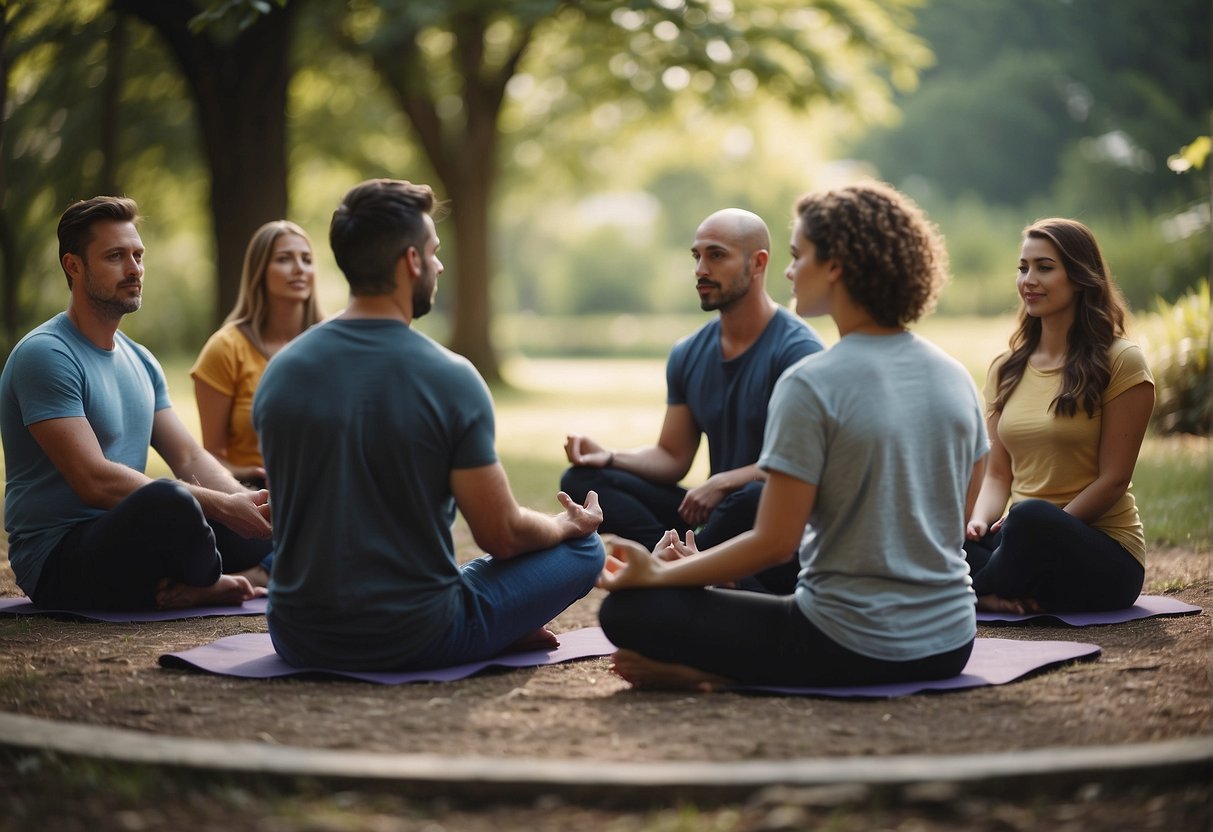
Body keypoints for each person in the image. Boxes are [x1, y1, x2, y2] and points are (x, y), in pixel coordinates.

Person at [597, 182, 987, 692]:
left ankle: (711, 674)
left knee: (629, 611)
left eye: (798, 255)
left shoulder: (810, 382)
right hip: (950, 643)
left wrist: (657, 575)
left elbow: (775, 544)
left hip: (846, 641)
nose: (788, 270)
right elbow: (954, 521)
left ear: (836, 267)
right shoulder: (954, 374)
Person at [254, 178, 605, 672]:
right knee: (585, 548)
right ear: (411, 262)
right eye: (434, 251)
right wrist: (566, 524)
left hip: (297, 633)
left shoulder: (281, 372)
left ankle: (500, 623)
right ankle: (499, 625)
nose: (439, 264)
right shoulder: (451, 377)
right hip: (417, 634)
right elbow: (501, 534)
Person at [0, 196, 273, 610]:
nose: (134, 269)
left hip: (138, 539)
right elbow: (93, 481)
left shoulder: (141, 359)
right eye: (115, 256)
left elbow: (188, 454)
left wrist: (246, 503)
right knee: (171, 499)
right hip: (61, 560)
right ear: (73, 266)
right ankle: (211, 577)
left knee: (262, 497)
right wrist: (221, 508)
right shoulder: (46, 354)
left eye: (138, 255)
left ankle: (205, 575)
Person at [561, 208, 824, 593]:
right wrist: (611, 457)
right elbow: (672, 457)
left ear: (758, 263)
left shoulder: (798, 353)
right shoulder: (688, 352)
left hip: (770, 523)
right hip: (715, 515)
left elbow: (807, 464)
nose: (701, 268)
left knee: (753, 494)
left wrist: (724, 481)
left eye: (716, 255)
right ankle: (673, 563)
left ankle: (670, 571)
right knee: (584, 480)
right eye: (696, 256)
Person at [963, 218, 1154, 614]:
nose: (1029, 279)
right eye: (1023, 268)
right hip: (1019, 541)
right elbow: (999, 474)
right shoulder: (1006, 369)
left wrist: (1040, 532)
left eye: (1044, 267)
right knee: (941, 527)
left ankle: (966, 592)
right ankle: (988, 589)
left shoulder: (1121, 361)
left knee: (1030, 517)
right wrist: (978, 523)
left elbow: (1114, 479)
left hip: (1102, 555)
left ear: (1081, 277)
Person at [191, 220, 324, 489]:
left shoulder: (330, 346)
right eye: (284, 259)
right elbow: (209, 457)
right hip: (253, 497)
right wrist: (249, 474)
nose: (299, 268)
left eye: (307, 259)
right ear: (259, 271)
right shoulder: (225, 349)